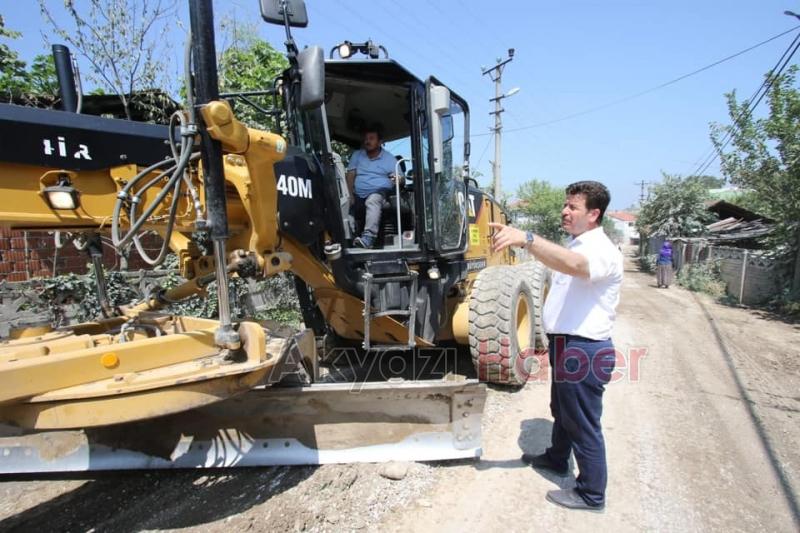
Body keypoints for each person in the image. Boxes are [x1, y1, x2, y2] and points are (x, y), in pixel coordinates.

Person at [489, 180, 623, 512]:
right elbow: (563, 267)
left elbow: (577, 268)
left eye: (572, 207)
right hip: (566, 345)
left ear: (593, 214)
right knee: (562, 412)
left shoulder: (601, 249)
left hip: (585, 349)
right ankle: (557, 457)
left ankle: (592, 494)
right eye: (565, 205)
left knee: (582, 423)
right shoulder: (575, 244)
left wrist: (529, 238)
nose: (564, 211)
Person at [346, 124, 401, 248]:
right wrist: (349, 195)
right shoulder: (357, 155)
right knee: (344, 205)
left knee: (373, 200)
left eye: (371, 138)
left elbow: (400, 177)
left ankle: (368, 238)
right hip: (359, 195)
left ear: (379, 142)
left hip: (380, 194)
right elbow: (350, 175)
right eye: (366, 138)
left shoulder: (389, 159)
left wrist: (398, 179)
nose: (367, 141)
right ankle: (348, 239)